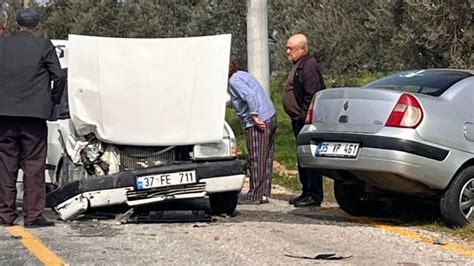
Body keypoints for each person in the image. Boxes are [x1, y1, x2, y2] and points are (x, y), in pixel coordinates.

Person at [0, 9, 66, 227]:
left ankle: (5, 214)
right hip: (34, 116)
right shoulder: (43, 45)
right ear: (38, 25)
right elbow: (59, 76)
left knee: (6, 164)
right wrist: (52, 102)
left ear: (15, 25)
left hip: (4, 115)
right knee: (34, 165)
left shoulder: (2, 45)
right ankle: (33, 215)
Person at [282, 34, 326, 207]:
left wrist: (303, 116)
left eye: (291, 48)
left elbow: (313, 94)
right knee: (302, 157)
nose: (287, 51)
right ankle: (306, 191)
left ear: (302, 49)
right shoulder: (300, 65)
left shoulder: (308, 66)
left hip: (306, 122)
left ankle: (314, 194)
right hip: (299, 120)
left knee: (309, 157)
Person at [228, 60, 277, 204]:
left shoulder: (233, 81)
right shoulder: (242, 74)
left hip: (258, 121)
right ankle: (263, 193)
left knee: (256, 158)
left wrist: (254, 115)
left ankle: (254, 195)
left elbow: (249, 96)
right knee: (266, 157)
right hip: (270, 115)